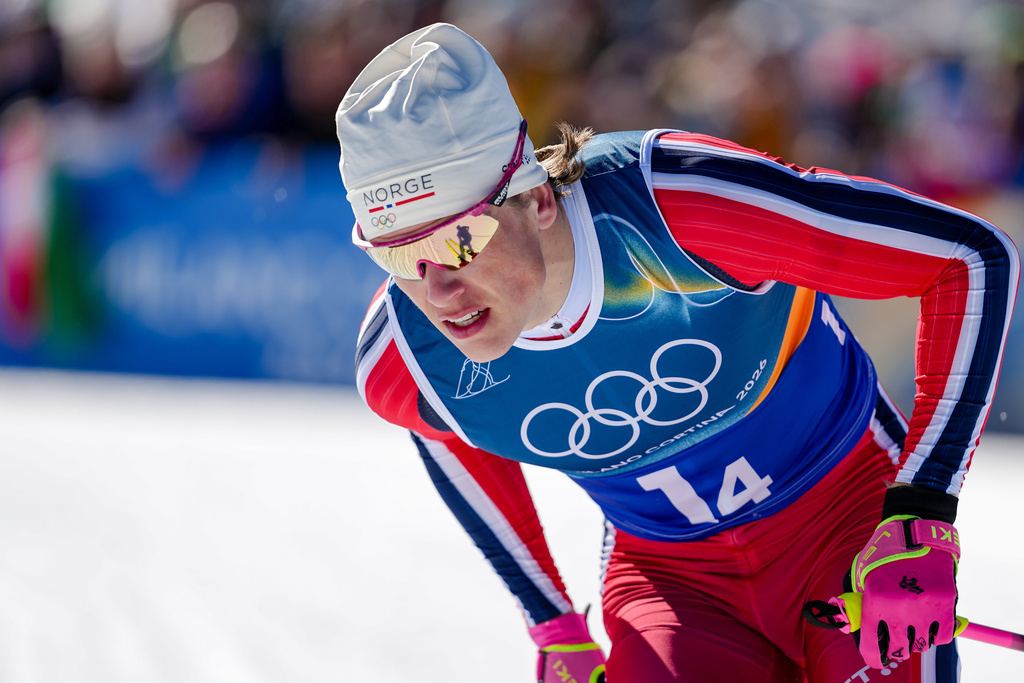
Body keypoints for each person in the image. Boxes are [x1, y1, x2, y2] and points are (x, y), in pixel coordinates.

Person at [336, 23, 1019, 683]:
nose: (438, 289)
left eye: (457, 241)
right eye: (397, 254)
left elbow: (969, 258)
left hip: (846, 526)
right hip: (672, 587)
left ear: (535, 196)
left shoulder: (681, 209)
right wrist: (552, 624)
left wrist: (922, 511)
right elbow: (441, 425)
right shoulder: (409, 360)